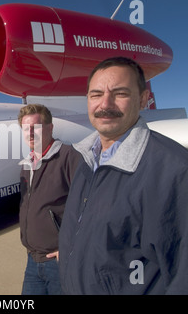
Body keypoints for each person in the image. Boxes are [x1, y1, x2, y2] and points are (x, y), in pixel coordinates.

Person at [59, 57, 188, 294]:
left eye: (119, 93)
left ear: (143, 100)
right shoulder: (85, 158)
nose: (105, 104)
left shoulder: (174, 171)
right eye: (96, 95)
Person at [17, 104, 81, 295]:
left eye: (35, 127)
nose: (30, 133)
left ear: (50, 128)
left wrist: (72, 247)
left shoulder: (69, 157)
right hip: (32, 260)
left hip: (58, 261)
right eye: (25, 128)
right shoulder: (27, 165)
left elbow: (90, 205)